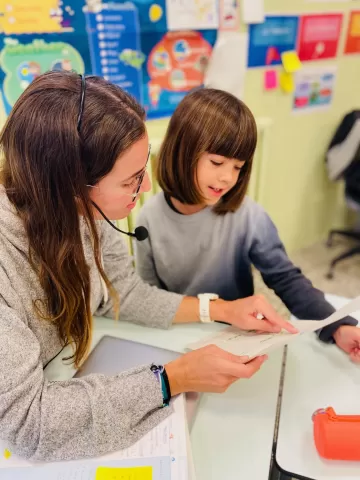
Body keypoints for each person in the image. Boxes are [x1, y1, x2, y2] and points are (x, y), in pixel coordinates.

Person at [0, 71, 296, 462]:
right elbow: (28, 423)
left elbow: (122, 292)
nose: (143, 190)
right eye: (131, 181)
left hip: (70, 371)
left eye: (143, 172)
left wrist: (219, 309)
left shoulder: (89, 211)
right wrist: (172, 378)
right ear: (70, 184)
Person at [135, 88, 360, 362]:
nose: (228, 177)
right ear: (182, 152)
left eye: (238, 167)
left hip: (236, 336)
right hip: (178, 337)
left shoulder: (248, 216)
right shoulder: (148, 218)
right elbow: (148, 295)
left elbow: (286, 279)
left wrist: (338, 327)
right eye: (217, 162)